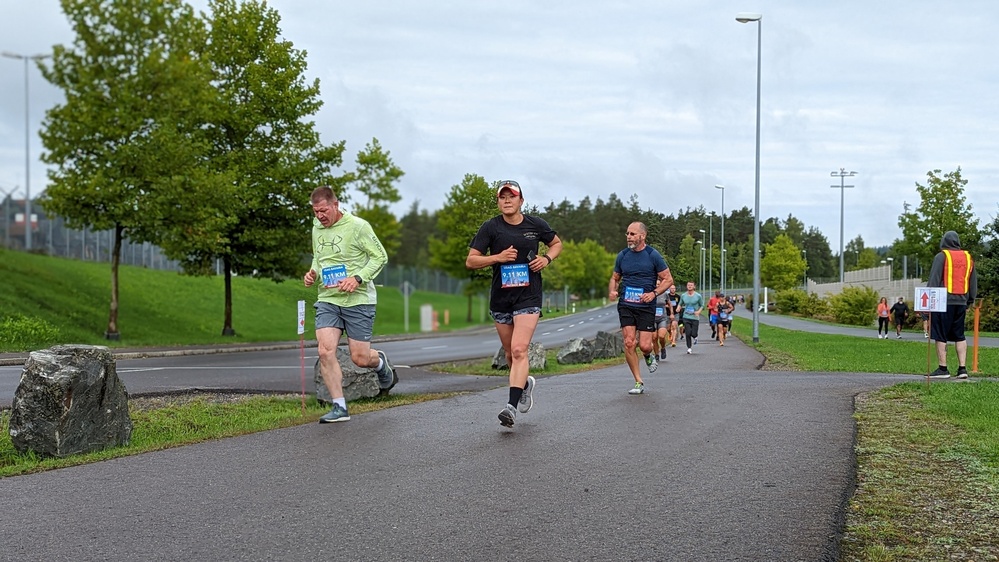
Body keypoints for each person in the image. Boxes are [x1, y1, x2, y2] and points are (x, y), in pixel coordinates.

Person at [467, 180, 562, 427]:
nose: (507, 201)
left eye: (512, 196)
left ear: (521, 200)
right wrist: (497, 258)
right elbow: (471, 261)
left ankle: (510, 407)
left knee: (520, 349)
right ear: (498, 201)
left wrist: (546, 259)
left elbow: (557, 243)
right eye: (502, 197)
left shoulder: (535, 225)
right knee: (510, 353)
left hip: (529, 295)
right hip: (501, 297)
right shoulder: (490, 228)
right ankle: (524, 384)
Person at [304, 186, 397, 423]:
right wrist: (313, 272)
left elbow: (380, 257)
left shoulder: (358, 227)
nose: (320, 217)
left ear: (335, 205)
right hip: (328, 298)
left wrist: (357, 279)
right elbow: (319, 255)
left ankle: (381, 363)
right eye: (315, 212)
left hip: (358, 300)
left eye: (323, 211)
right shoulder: (316, 227)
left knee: (360, 358)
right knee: (325, 350)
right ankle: (340, 407)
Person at [608, 222, 673, 395]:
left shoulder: (653, 255)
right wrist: (613, 290)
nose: (628, 236)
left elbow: (668, 279)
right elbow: (615, 278)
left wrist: (654, 293)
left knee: (645, 346)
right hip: (626, 305)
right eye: (627, 233)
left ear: (642, 236)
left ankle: (647, 355)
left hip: (645, 305)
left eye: (632, 234)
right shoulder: (622, 255)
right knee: (629, 342)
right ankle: (638, 381)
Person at [927, 231, 978, 379]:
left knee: (940, 335)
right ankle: (962, 369)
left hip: (943, 301)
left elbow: (934, 280)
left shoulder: (941, 256)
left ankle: (943, 369)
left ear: (944, 242)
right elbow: (972, 282)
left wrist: (928, 306)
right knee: (959, 335)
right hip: (961, 301)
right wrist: (970, 300)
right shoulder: (968, 258)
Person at [678, 281, 704, 354]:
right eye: (688, 285)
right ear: (686, 286)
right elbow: (680, 303)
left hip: (695, 317)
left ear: (694, 287)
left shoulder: (698, 296)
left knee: (693, 333)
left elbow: (702, 305)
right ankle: (689, 348)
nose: (689, 286)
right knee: (688, 333)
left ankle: (695, 337)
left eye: (691, 285)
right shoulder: (683, 295)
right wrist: (678, 308)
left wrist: (698, 311)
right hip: (686, 316)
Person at [652, 291, 672, 361]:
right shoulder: (649, 293)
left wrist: (671, 313)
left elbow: (669, 304)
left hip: (662, 318)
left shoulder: (664, 294)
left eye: (658, 284)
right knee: (654, 338)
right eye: (656, 284)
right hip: (652, 319)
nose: (657, 285)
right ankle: (656, 354)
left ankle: (663, 348)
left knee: (661, 336)